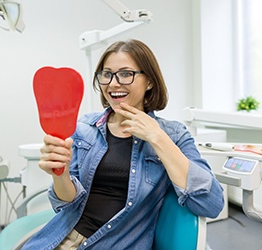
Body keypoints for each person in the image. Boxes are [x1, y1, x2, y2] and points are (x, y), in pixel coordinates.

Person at [22, 39, 224, 250]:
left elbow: (211, 204)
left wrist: (157, 137)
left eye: (126, 74)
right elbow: (65, 204)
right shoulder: (84, 128)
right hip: (60, 238)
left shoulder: (173, 135)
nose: (113, 83)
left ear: (150, 81)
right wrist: (59, 174)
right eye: (106, 74)